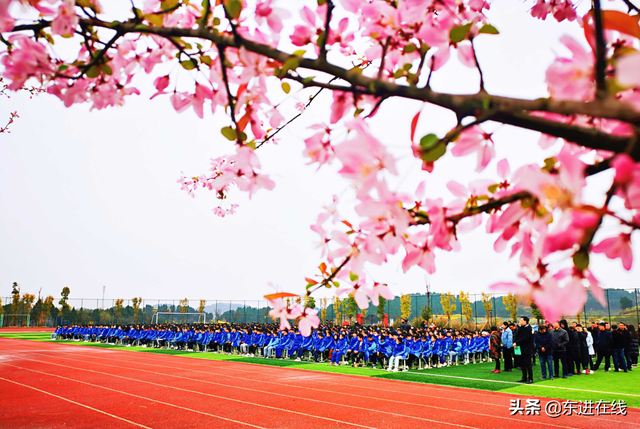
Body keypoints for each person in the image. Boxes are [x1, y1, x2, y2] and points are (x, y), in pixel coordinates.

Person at [513, 316, 534, 384]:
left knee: (527, 363)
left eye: (521, 320)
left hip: (526, 348)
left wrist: (517, 342)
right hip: (519, 347)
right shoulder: (519, 328)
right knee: (522, 363)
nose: (520, 321)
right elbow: (516, 336)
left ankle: (530, 378)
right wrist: (514, 342)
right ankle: (524, 377)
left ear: (525, 321)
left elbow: (526, 338)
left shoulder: (528, 328)